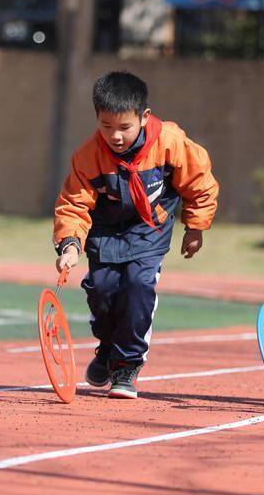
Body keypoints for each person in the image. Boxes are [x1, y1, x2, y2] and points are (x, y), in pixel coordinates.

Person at [54, 71, 219, 399]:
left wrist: (196, 227)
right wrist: (70, 244)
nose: (115, 136)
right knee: (101, 290)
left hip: (150, 229)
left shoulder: (170, 143)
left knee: (138, 285)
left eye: (124, 127)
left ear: (144, 117)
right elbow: (73, 204)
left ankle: (127, 365)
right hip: (106, 230)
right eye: (106, 126)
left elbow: (199, 183)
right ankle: (106, 348)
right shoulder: (88, 157)